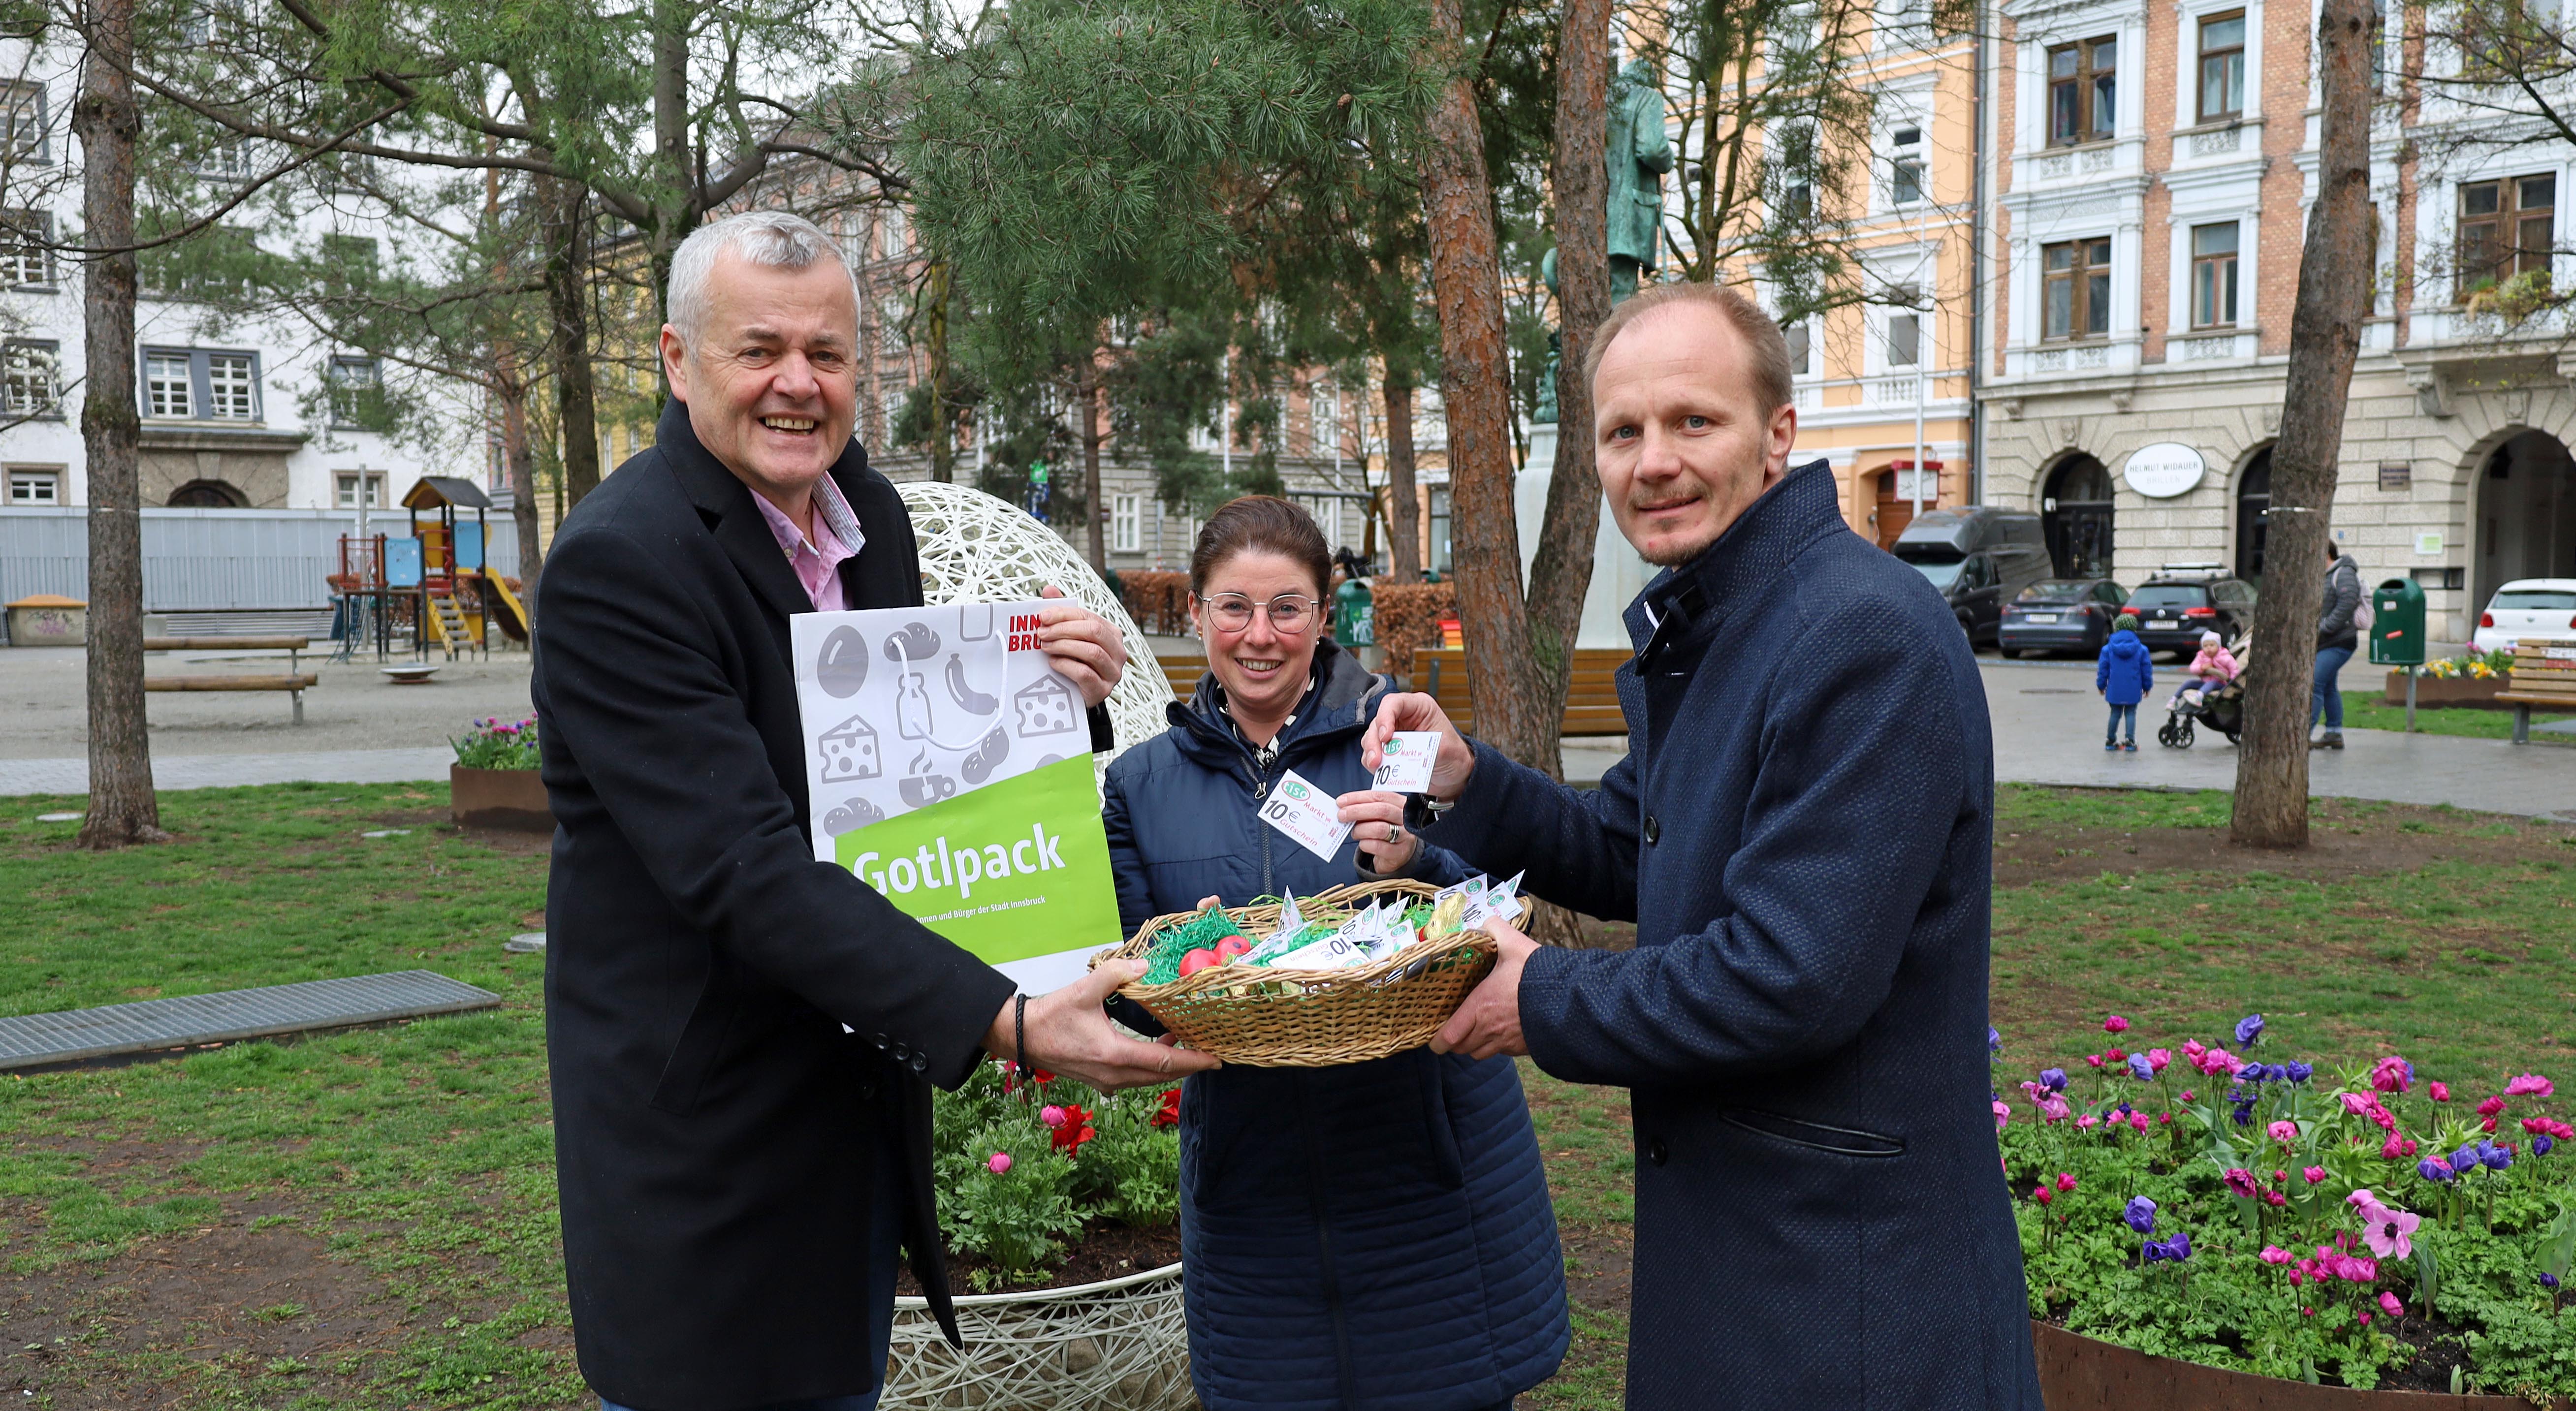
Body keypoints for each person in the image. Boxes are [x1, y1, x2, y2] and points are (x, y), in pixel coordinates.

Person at [531, 210, 1214, 1411]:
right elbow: (742, 865)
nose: (798, 382)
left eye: (830, 353)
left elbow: (901, 777)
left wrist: (1061, 701)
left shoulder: (867, 516)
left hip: (847, 1123)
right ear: (679, 361)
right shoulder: (619, 562)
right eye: (759, 349)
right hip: (711, 1150)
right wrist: (1004, 1017)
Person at [1360, 282, 2042, 1411]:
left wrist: (1540, 1000)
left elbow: (1791, 974)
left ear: (1777, 434)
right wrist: (1467, 781)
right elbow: (1633, 844)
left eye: (1692, 421)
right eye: (1622, 432)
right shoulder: (1730, 622)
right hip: (1754, 1259)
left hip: (1847, 1293)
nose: (1652, 460)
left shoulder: (1855, 633)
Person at [1099, 496, 1568, 1411]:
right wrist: (1185, 962)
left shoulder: (1396, 740)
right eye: (1233, 606)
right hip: (1255, 1198)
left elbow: (1492, 914)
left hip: (1426, 1180)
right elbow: (1120, 983)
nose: (1259, 635)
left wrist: (1418, 858)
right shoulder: (1139, 784)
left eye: (1287, 608)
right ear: (1194, 613)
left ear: (1324, 615)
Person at [2315, 541, 2364, 749]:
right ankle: (2334, 733)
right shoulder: (2323, 575)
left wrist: (2325, 627)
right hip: (2325, 642)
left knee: (2314, 683)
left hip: (2340, 640)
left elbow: (2348, 601)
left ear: (2326, 553)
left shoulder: (2343, 572)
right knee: (2328, 687)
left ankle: (2302, 734)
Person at [2096, 611, 2154, 751]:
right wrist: (2147, 686)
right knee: (2131, 713)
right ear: (2134, 629)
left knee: (2115, 713)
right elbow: (2146, 670)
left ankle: (2110, 740)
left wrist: (2101, 685)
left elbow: (2103, 670)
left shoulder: (2107, 649)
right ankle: (2130, 740)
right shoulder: (2142, 649)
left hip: (2114, 688)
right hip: (2133, 687)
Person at [2173, 629, 2239, 708]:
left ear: (2218, 646)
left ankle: (2199, 697)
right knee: (2189, 683)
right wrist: (2202, 667)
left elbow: (2235, 670)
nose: (2209, 648)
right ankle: (2174, 699)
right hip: (2205, 683)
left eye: (2212, 645)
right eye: (2206, 646)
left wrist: (2231, 681)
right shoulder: (2202, 656)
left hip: (2222, 683)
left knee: (2212, 683)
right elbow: (2192, 668)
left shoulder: (2225, 657)